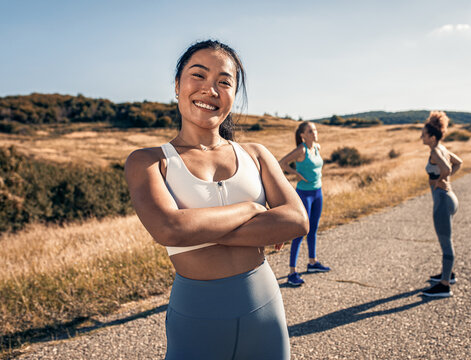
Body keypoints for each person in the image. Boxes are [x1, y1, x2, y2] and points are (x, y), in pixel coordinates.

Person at [124, 40, 308, 359]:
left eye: (224, 82)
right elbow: (169, 229)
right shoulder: (148, 161)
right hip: (196, 316)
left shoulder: (256, 154)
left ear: (233, 95)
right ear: (177, 86)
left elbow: (296, 220)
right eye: (198, 75)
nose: (210, 90)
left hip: (263, 306)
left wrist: (198, 230)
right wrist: (254, 210)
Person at [278, 121, 331, 286]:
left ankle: (312, 263)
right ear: (302, 135)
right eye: (310, 131)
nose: (314, 133)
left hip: (318, 192)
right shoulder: (301, 150)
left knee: (314, 229)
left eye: (315, 130)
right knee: (300, 231)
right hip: (304, 195)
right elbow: (282, 163)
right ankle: (292, 273)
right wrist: (296, 174)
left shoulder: (317, 147)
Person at [420, 111, 463, 297]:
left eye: (423, 134)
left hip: (442, 199)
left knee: (446, 242)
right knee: (446, 239)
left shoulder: (435, 151)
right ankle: (448, 274)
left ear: (431, 136)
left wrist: (441, 180)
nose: (421, 136)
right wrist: (446, 179)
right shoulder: (443, 149)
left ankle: (444, 285)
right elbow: (458, 162)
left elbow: (446, 168)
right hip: (449, 197)